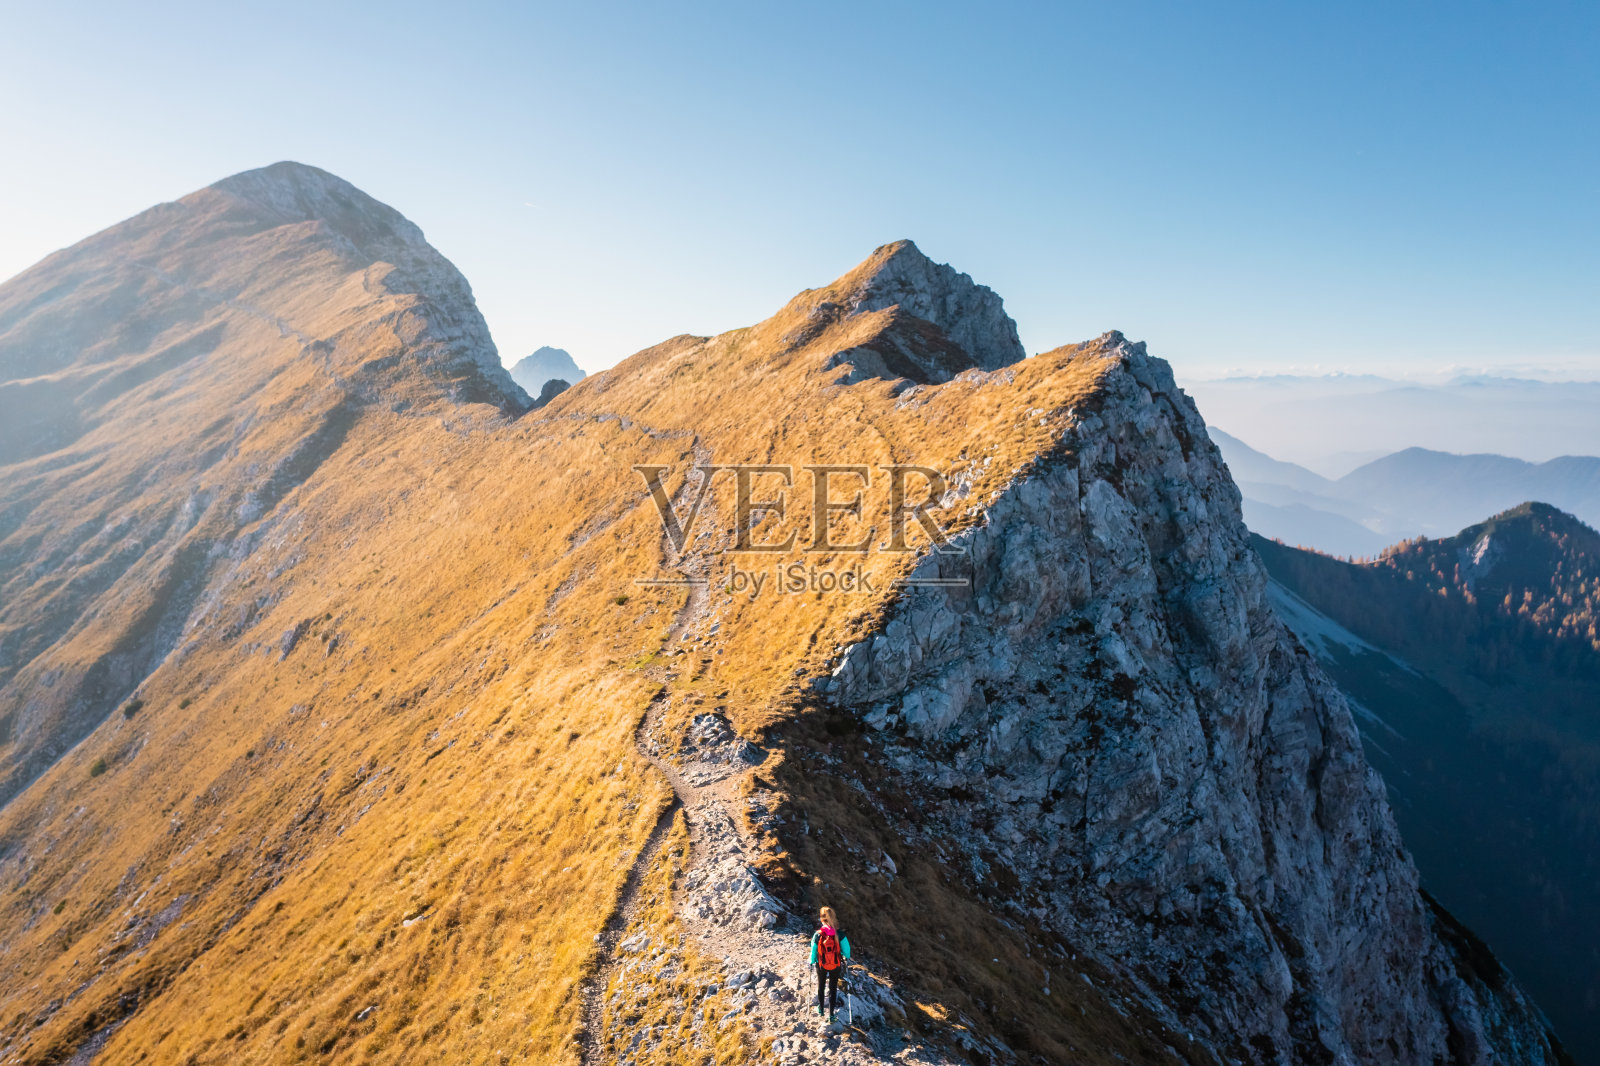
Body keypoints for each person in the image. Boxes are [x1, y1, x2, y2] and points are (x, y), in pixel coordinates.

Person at [808, 905, 851, 1020]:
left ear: (822, 919)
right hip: (835, 964)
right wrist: (845, 956)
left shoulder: (818, 934)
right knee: (833, 988)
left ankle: (821, 1009)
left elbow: (813, 951)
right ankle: (831, 1015)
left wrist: (812, 961)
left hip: (821, 964)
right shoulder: (840, 934)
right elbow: (847, 951)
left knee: (821, 986)